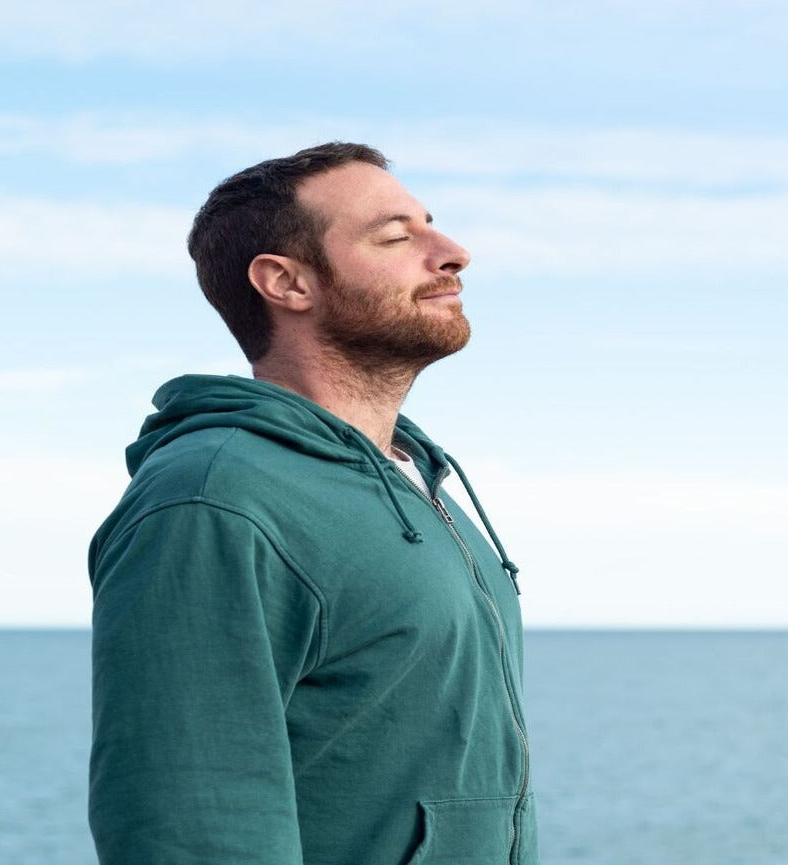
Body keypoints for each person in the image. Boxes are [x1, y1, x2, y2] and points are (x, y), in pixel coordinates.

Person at [87, 142, 536, 865]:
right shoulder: (213, 500)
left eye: (432, 225)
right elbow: (194, 828)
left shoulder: (417, 482)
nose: (453, 252)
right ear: (287, 282)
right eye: (396, 236)